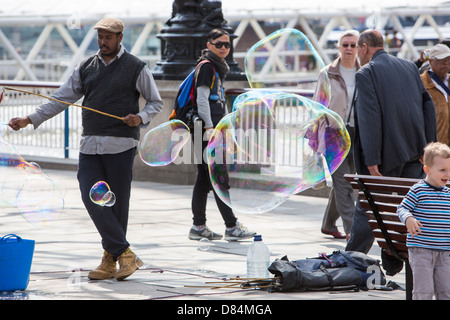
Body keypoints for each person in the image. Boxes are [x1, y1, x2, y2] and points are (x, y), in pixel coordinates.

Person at [8, 17, 163, 281]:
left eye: (108, 37)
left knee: (117, 205)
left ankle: (109, 260)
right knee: (90, 195)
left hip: (122, 145)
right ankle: (125, 254)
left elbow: (155, 102)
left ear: (120, 37)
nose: (103, 42)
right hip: (90, 145)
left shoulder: (137, 67)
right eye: (100, 37)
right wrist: (29, 119)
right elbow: (59, 99)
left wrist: (140, 117)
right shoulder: (85, 67)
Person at [345, 29, 437, 254]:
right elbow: (428, 106)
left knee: (370, 206)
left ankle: (352, 259)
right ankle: (394, 259)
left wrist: (373, 158)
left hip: (387, 155)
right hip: (416, 152)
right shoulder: (408, 66)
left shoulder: (366, 73)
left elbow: (370, 117)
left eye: (358, 48)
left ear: (364, 47)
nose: (357, 54)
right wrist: (428, 147)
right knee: (412, 206)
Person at [188, 29, 255, 241]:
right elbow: (202, 100)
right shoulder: (207, 67)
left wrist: (226, 127)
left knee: (205, 178)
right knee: (218, 176)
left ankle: (199, 226)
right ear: (209, 45)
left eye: (227, 44)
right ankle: (231, 226)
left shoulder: (216, 67)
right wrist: (210, 128)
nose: (224, 47)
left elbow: (218, 101)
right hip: (206, 130)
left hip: (210, 129)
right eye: (219, 44)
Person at [313, 30, 360, 239]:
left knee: (349, 180)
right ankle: (352, 230)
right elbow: (317, 106)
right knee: (343, 181)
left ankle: (329, 223)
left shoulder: (365, 72)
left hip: (358, 133)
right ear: (339, 48)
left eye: (353, 45)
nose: (349, 48)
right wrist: (314, 139)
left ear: (359, 48)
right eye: (345, 45)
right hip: (334, 133)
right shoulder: (327, 73)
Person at [397, 142, 450, 300]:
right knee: (423, 292)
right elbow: (402, 208)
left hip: (445, 251)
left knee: (446, 291)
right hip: (422, 250)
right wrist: (409, 218)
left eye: (449, 169)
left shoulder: (448, 193)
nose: (447, 174)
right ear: (427, 170)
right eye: (442, 170)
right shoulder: (418, 190)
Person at [420, 44, 450, 146]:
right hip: (434, 149)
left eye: (448, 60)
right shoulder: (420, 83)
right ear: (431, 61)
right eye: (442, 60)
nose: (446, 64)